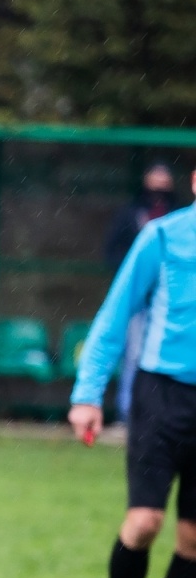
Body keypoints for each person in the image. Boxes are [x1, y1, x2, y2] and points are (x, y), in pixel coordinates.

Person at [72, 165, 196, 578]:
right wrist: (87, 394)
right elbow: (114, 314)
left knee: (193, 538)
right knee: (145, 522)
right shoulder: (163, 237)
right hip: (161, 395)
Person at [104, 161, 179, 423]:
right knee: (134, 355)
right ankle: (128, 412)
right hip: (140, 301)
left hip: (171, 302)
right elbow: (112, 252)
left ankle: (167, 415)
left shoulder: (177, 217)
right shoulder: (133, 213)